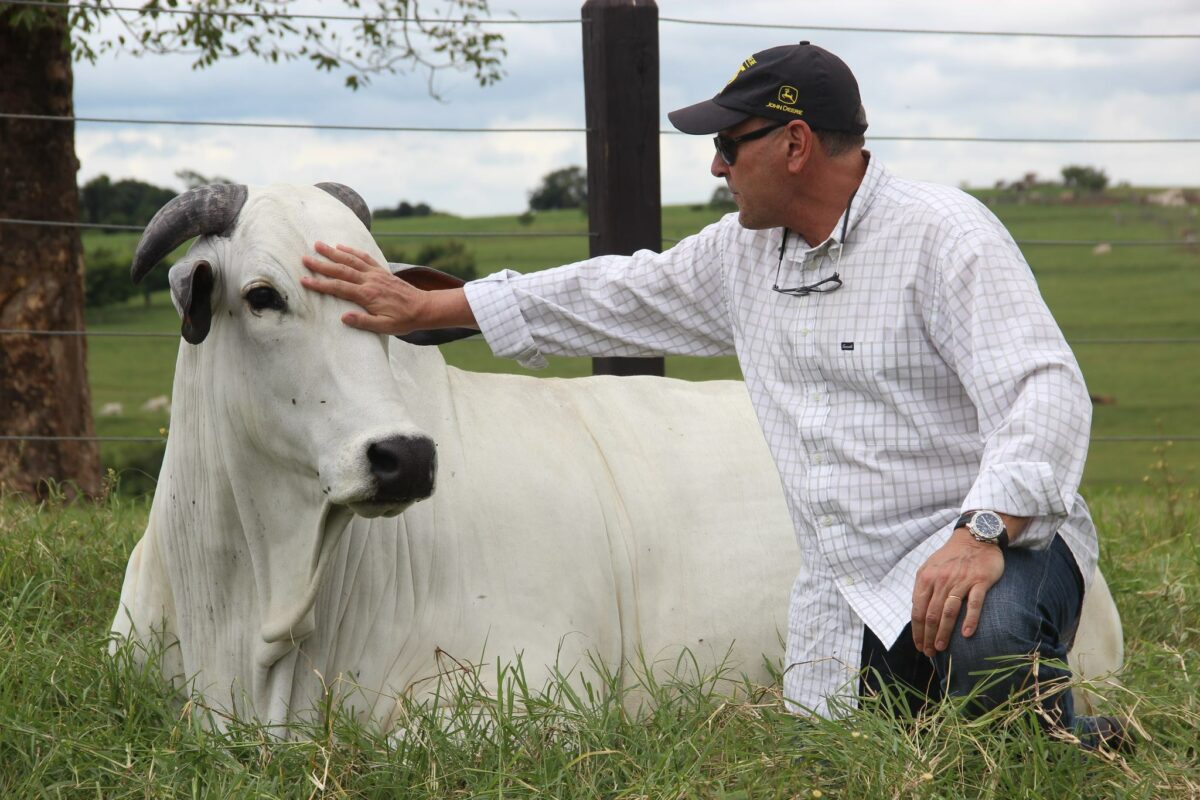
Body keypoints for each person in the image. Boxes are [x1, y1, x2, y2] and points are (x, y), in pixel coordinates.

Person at [301, 41, 1121, 744]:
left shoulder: (947, 235)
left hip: (991, 548)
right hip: (852, 592)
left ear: (795, 144)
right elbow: (609, 294)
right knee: (851, 746)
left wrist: (982, 530)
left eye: (730, 143)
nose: (717, 165)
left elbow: (1044, 392)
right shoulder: (742, 257)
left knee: (987, 640)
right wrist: (427, 307)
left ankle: (1063, 743)